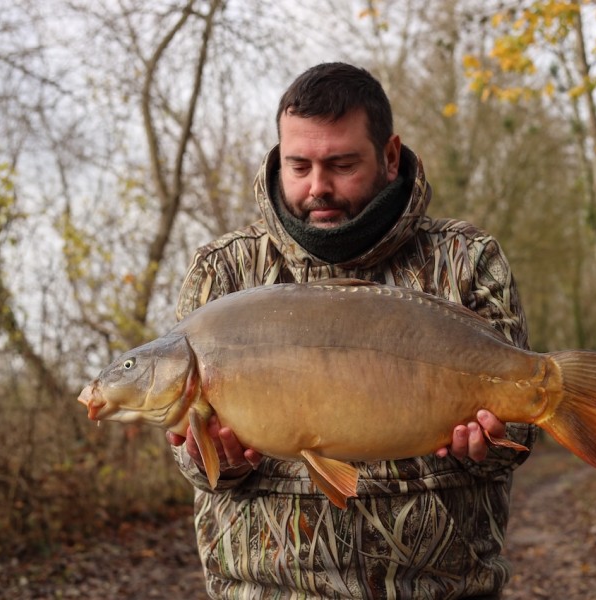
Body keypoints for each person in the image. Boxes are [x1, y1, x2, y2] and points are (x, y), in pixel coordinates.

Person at [167, 62, 536, 599]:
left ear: (389, 156)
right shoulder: (224, 271)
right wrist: (209, 460)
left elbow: (520, 433)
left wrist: (492, 444)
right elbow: (190, 458)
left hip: (439, 588)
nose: (318, 187)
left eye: (341, 165)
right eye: (299, 166)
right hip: (267, 589)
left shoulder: (467, 260)